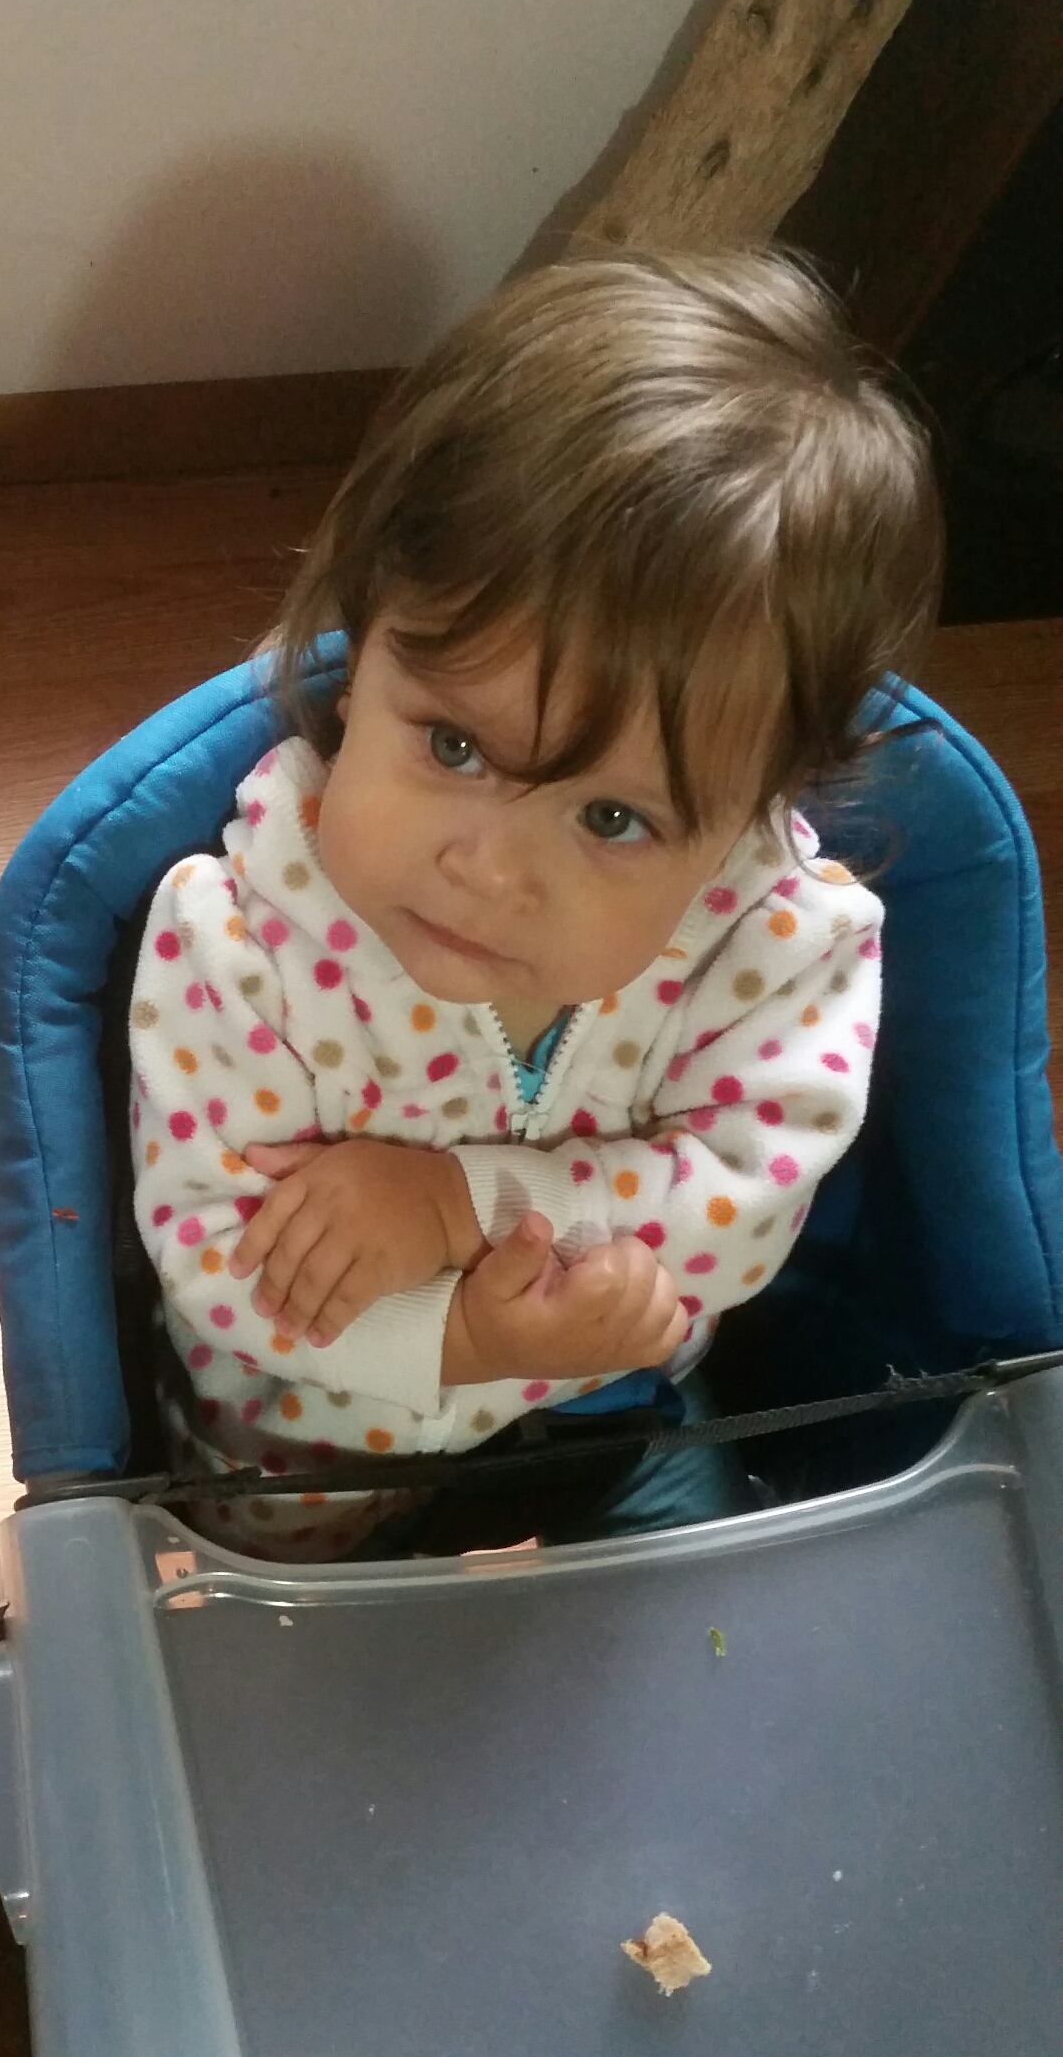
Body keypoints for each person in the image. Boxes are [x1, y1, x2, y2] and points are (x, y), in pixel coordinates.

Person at [128, 249, 941, 1556]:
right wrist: (462, 1336)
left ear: (755, 805)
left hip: (611, 1419)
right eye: (452, 746)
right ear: (362, 650)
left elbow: (740, 1206)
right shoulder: (237, 943)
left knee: (698, 1632)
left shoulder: (787, 944)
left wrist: (460, 1206)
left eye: (612, 819)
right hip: (310, 1475)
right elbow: (219, 1266)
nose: (489, 869)